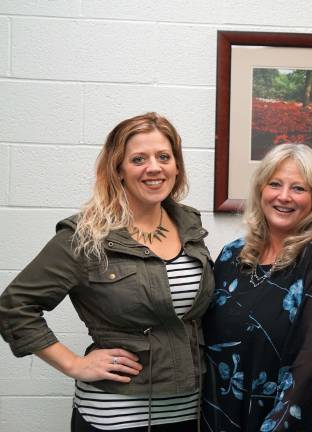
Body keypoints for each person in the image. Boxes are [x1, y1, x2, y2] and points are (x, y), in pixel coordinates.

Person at [0, 112, 214, 431]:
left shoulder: (189, 225)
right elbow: (14, 307)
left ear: (176, 166)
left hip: (190, 410)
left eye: (164, 157)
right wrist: (74, 364)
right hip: (117, 415)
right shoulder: (85, 236)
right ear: (119, 169)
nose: (154, 167)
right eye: (139, 158)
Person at [201, 143, 312, 432]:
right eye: (275, 184)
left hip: (283, 421)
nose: (284, 197)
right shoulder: (233, 255)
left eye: (298, 188)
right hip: (221, 415)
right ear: (260, 190)